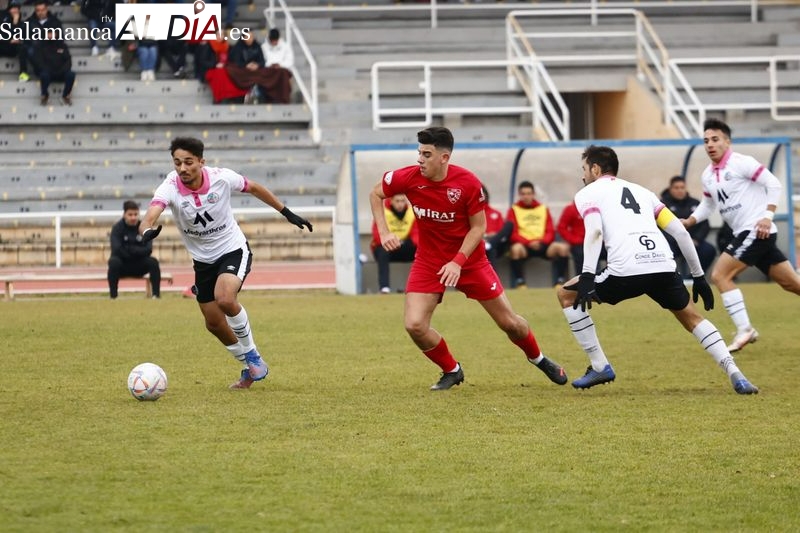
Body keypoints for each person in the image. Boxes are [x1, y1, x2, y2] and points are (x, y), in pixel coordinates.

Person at [369, 126, 567, 391]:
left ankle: (539, 359)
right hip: (428, 261)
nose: (419, 159)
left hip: (470, 262)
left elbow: (478, 228)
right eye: (419, 153)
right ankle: (452, 370)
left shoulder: (467, 183)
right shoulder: (408, 177)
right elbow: (376, 193)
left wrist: (458, 261)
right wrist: (383, 231)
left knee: (510, 324)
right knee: (414, 325)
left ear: (444, 157)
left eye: (426, 154)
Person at [556, 145, 758, 395]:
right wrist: (698, 276)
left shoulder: (588, 192)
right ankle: (736, 374)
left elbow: (595, 231)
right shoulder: (643, 192)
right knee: (691, 317)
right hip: (662, 265)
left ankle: (600, 366)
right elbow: (680, 231)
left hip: (626, 270)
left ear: (595, 169)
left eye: (584, 169)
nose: (583, 176)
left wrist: (587, 275)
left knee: (565, 294)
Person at [138, 137, 313, 389]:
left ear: (201, 162)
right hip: (203, 261)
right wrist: (146, 232)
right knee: (213, 323)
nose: (182, 169)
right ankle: (249, 367)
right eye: (177, 163)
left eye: (188, 162)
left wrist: (287, 213)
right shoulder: (170, 186)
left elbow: (254, 188)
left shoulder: (221, 178)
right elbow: (150, 215)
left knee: (225, 298)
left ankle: (252, 354)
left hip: (233, 250)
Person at [683, 118, 800, 352]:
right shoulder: (708, 175)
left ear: (727, 141)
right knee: (792, 283)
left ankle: (745, 329)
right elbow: (708, 205)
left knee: (719, 275)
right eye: (706, 141)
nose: (710, 145)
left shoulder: (742, 163)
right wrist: (690, 220)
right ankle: (745, 329)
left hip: (755, 230)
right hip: (752, 234)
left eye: (715, 139)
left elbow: (774, 184)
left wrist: (767, 216)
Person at [506, 180, 570, 287]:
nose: (526, 196)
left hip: (543, 245)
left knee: (562, 248)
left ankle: (559, 281)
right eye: (523, 194)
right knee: (515, 249)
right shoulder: (513, 210)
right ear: (519, 195)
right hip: (525, 246)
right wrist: (528, 242)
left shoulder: (543, 209)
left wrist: (541, 242)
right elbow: (513, 233)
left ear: (533, 194)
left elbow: (550, 231)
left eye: (529, 193)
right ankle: (520, 282)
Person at [660, 175, 716, 279]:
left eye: (682, 187)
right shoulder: (663, 205)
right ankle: (673, 280)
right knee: (663, 255)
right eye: (676, 188)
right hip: (672, 243)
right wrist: (676, 240)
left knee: (709, 250)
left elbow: (704, 224)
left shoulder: (695, 203)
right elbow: (660, 227)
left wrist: (697, 239)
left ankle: (694, 278)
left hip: (693, 241)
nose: (680, 190)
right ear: (670, 189)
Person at [108, 200, 161, 299]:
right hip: (123, 265)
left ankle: (156, 296)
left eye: (135, 214)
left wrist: (130, 249)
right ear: (124, 214)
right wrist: (137, 250)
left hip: (139, 265)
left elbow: (148, 249)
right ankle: (113, 297)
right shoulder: (117, 228)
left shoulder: (144, 228)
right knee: (113, 262)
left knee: (153, 262)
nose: (133, 217)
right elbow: (116, 249)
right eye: (130, 214)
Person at [370, 193, 418, 294]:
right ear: (391, 201)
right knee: (383, 252)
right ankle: (384, 288)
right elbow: (377, 234)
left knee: (420, 250)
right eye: (397, 201)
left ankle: (417, 287)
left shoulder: (412, 212)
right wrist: (391, 241)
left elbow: (417, 234)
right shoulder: (383, 212)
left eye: (402, 201)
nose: (400, 204)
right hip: (387, 247)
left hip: (404, 246)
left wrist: (406, 242)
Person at [32, 28, 74, 106]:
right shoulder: (41, 46)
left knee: (71, 74)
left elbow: (68, 60)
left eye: (52, 33)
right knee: (44, 75)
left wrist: (62, 70)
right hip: (48, 72)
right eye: (49, 33)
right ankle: (45, 95)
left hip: (61, 72)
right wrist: (48, 69)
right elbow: (39, 61)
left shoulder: (63, 46)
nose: (50, 35)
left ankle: (65, 95)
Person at [0, 0, 30, 82]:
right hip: (3, 45)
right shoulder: (2, 18)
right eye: (13, 8)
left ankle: (23, 73)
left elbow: (19, 37)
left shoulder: (21, 23)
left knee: (23, 48)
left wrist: (15, 23)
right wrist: (9, 40)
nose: (15, 10)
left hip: (13, 48)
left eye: (17, 8)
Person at [481, 184, 509, 270]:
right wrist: (484, 236)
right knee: (490, 249)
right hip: (478, 244)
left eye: (482, 193)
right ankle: (493, 282)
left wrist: (494, 236)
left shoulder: (496, 213)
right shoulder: (470, 215)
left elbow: (502, 234)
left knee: (509, 224)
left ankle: (489, 244)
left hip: (496, 244)